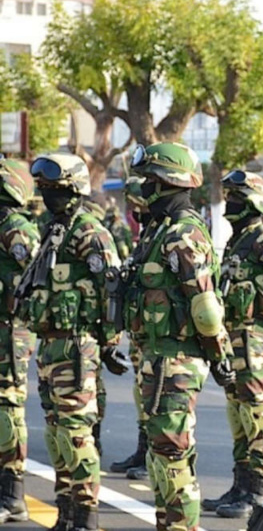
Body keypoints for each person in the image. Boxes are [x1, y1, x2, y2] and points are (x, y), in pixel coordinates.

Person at [124, 142, 235, 531]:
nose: (143, 190)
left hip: (175, 363)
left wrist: (220, 355)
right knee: (162, 460)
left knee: (173, 462)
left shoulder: (183, 234)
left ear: (166, 183)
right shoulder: (161, 230)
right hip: (158, 358)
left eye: (149, 181)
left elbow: (205, 308)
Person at [17, 154, 124, 531]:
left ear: (73, 188)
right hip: (50, 348)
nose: (48, 196)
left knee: (77, 436)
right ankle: (65, 511)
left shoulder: (90, 233)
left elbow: (112, 292)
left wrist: (109, 344)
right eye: (44, 189)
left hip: (78, 349)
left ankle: (86, 515)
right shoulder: (54, 231)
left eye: (55, 189)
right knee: (56, 435)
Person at [202, 170, 263, 518]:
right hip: (233, 337)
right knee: (237, 412)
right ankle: (240, 483)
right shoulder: (238, 240)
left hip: (253, 338)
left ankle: (257, 489)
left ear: (254, 200)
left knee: (254, 410)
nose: (230, 203)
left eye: (237, 196)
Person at [0, 157, 39, 524]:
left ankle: (12, 495)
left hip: (10, 333)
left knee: (7, 410)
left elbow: (34, 281)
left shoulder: (16, 228)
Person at [109, 176, 152, 482]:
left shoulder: (166, 234)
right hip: (140, 333)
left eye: (137, 204)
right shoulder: (148, 237)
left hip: (158, 336)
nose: (134, 210)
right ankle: (143, 449)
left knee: (154, 397)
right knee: (141, 393)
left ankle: (151, 453)